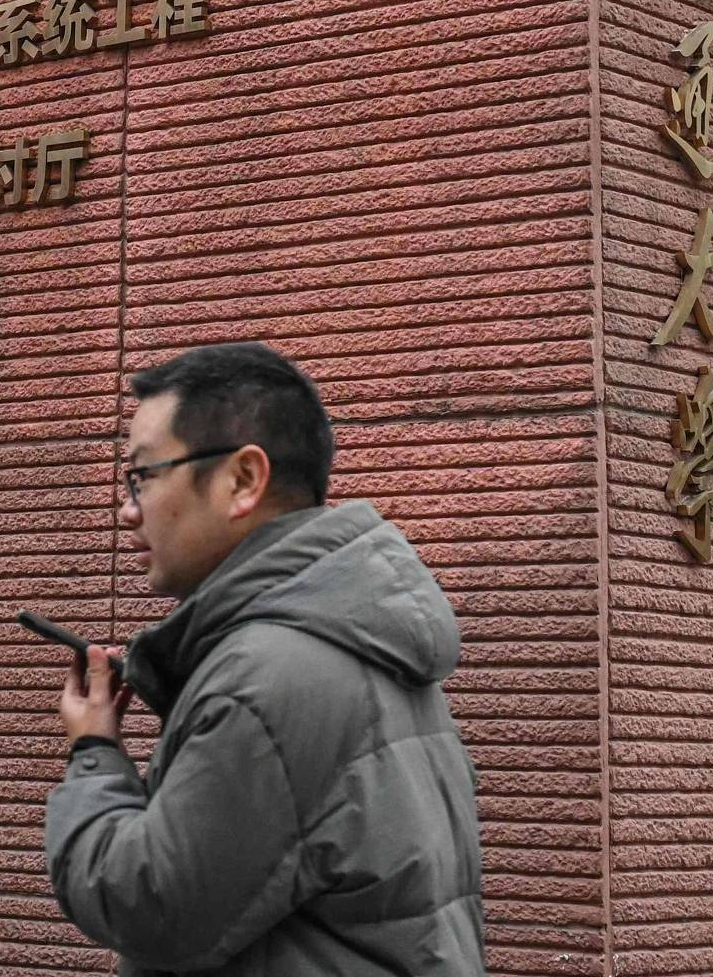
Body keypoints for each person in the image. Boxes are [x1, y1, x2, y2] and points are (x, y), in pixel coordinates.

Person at [45, 341, 484, 976]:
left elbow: (150, 907)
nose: (127, 508)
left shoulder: (269, 677)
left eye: (142, 475)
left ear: (243, 481)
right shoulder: (354, 632)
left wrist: (94, 755)